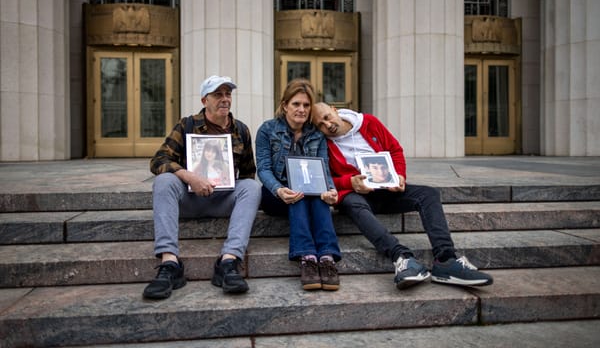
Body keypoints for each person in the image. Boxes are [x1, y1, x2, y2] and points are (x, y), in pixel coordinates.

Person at [312, 103, 493, 289]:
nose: (327, 125)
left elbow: (395, 150)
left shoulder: (369, 123)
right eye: (320, 125)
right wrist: (349, 183)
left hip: (388, 190)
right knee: (351, 203)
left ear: (335, 109)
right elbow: (325, 177)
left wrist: (399, 176)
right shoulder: (322, 142)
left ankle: (446, 261)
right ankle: (402, 258)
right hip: (358, 195)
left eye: (327, 117)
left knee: (428, 194)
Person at [143, 75, 261, 299]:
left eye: (228, 94)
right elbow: (158, 160)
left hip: (223, 201)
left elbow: (247, 172)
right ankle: (170, 264)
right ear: (204, 100)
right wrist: (189, 176)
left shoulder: (241, 130)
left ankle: (228, 262)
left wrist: (226, 181)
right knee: (164, 180)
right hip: (190, 200)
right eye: (218, 94)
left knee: (252, 187)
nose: (225, 99)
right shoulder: (187, 125)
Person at [255, 79, 341, 291]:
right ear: (285, 105)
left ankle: (327, 258)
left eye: (306, 105)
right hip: (275, 193)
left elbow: (324, 168)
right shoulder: (267, 130)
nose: (301, 109)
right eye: (296, 104)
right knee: (299, 196)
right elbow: (264, 169)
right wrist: (278, 189)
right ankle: (307, 258)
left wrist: (331, 190)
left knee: (318, 195)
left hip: (308, 192)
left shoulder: (316, 134)